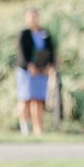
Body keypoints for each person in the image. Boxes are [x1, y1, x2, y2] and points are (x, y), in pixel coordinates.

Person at [16, 8, 55, 136]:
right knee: (25, 99)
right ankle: (25, 128)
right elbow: (21, 52)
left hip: (41, 71)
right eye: (30, 16)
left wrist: (49, 66)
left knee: (38, 100)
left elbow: (51, 50)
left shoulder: (44, 33)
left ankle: (38, 128)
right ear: (26, 18)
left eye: (34, 16)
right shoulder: (24, 34)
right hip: (27, 72)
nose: (33, 19)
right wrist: (29, 65)